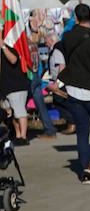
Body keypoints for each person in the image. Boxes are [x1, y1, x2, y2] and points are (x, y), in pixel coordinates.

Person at [54, 2, 90, 182]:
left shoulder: (68, 38)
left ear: (76, 18)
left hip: (73, 89)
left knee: (82, 131)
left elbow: (66, 37)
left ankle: (84, 169)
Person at [26, 11, 56, 139]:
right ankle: (50, 130)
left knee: (19, 105)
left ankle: (18, 132)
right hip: (35, 75)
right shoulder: (33, 44)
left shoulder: (25, 44)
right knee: (40, 105)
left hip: (28, 77)